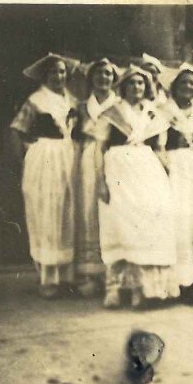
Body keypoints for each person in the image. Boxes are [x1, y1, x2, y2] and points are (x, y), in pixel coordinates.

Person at [96, 65, 179, 309]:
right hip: (118, 170)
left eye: (141, 83)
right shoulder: (110, 112)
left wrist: (167, 173)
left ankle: (141, 288)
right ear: (122, 87)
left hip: (147, 171)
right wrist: (101, 181)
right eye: (131, 83)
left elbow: (160, 148)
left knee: (147, 225)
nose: (137, 87)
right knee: (119, 225)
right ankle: (116, 287)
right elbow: (99, 150)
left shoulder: (154, 114)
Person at [10, 52, 81, 299]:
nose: (58, 76)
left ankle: (67, 278)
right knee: (47, 212)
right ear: (44, 75)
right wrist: (26, 159)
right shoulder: (36, 100)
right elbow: (17, 130)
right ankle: (47, 278)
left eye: (62, 72)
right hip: (45, 158)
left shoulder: (72, 100)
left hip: (68, 156)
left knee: (68, 213)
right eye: (53, 72)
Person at [158, 63, 193, 304]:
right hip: (174, 166)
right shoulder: (163, 111)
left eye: (192, 83)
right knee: (177, 219)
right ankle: (179, 281)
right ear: (174, 86)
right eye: (183, 83)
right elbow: (158, 145)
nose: (188, 87)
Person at [73, 58, 120, 297]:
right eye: (99, 74)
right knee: (88, 209)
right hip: (88, 158)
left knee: (113, 209)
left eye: (108, 74)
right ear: (91, 78)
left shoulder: (120, 105)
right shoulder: (82, 107)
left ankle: (112, 272)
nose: (104, 79)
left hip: (114, 159)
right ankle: (90, 273)